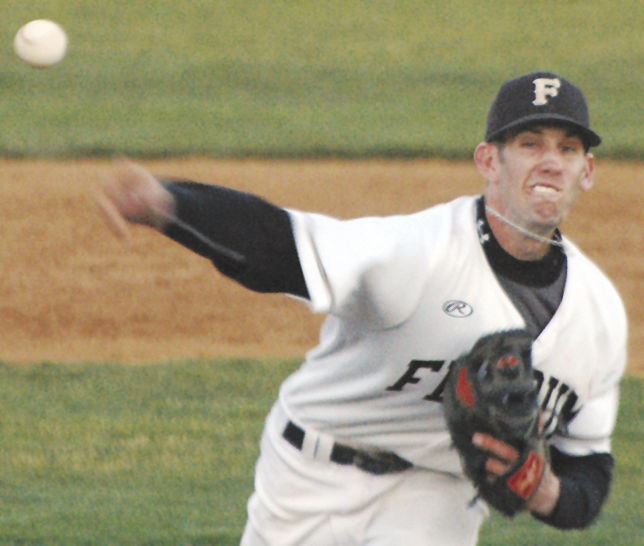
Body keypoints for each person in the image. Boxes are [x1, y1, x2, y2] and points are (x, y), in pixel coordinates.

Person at [96, 71, 627, 545]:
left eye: (568, 147)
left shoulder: (599, 315)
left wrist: (545, 489)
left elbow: (590, 475)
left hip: (436, 496)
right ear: (490, 161)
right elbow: (279, 249)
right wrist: (171, 205)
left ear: (587, 170)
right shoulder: (417, 251)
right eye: (530, 144)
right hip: (310, 470)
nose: (551, 161)